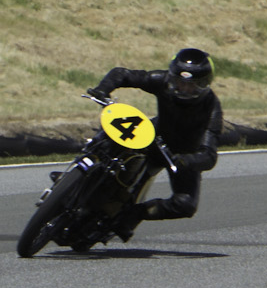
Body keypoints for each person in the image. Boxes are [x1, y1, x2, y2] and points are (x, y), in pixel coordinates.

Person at [87, 47, 223, 240]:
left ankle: (135, 213)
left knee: (186, 204)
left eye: (192, 85)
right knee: (115, 131)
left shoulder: (212, 108)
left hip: (181, 155)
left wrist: (186, 161)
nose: (184, 89)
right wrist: (103, 90)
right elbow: (122, 74)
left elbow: (209, 155)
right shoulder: (162, 81)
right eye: (179, 82)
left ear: (205, 85)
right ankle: (84, 166)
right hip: (153, 135)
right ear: (172, 77)